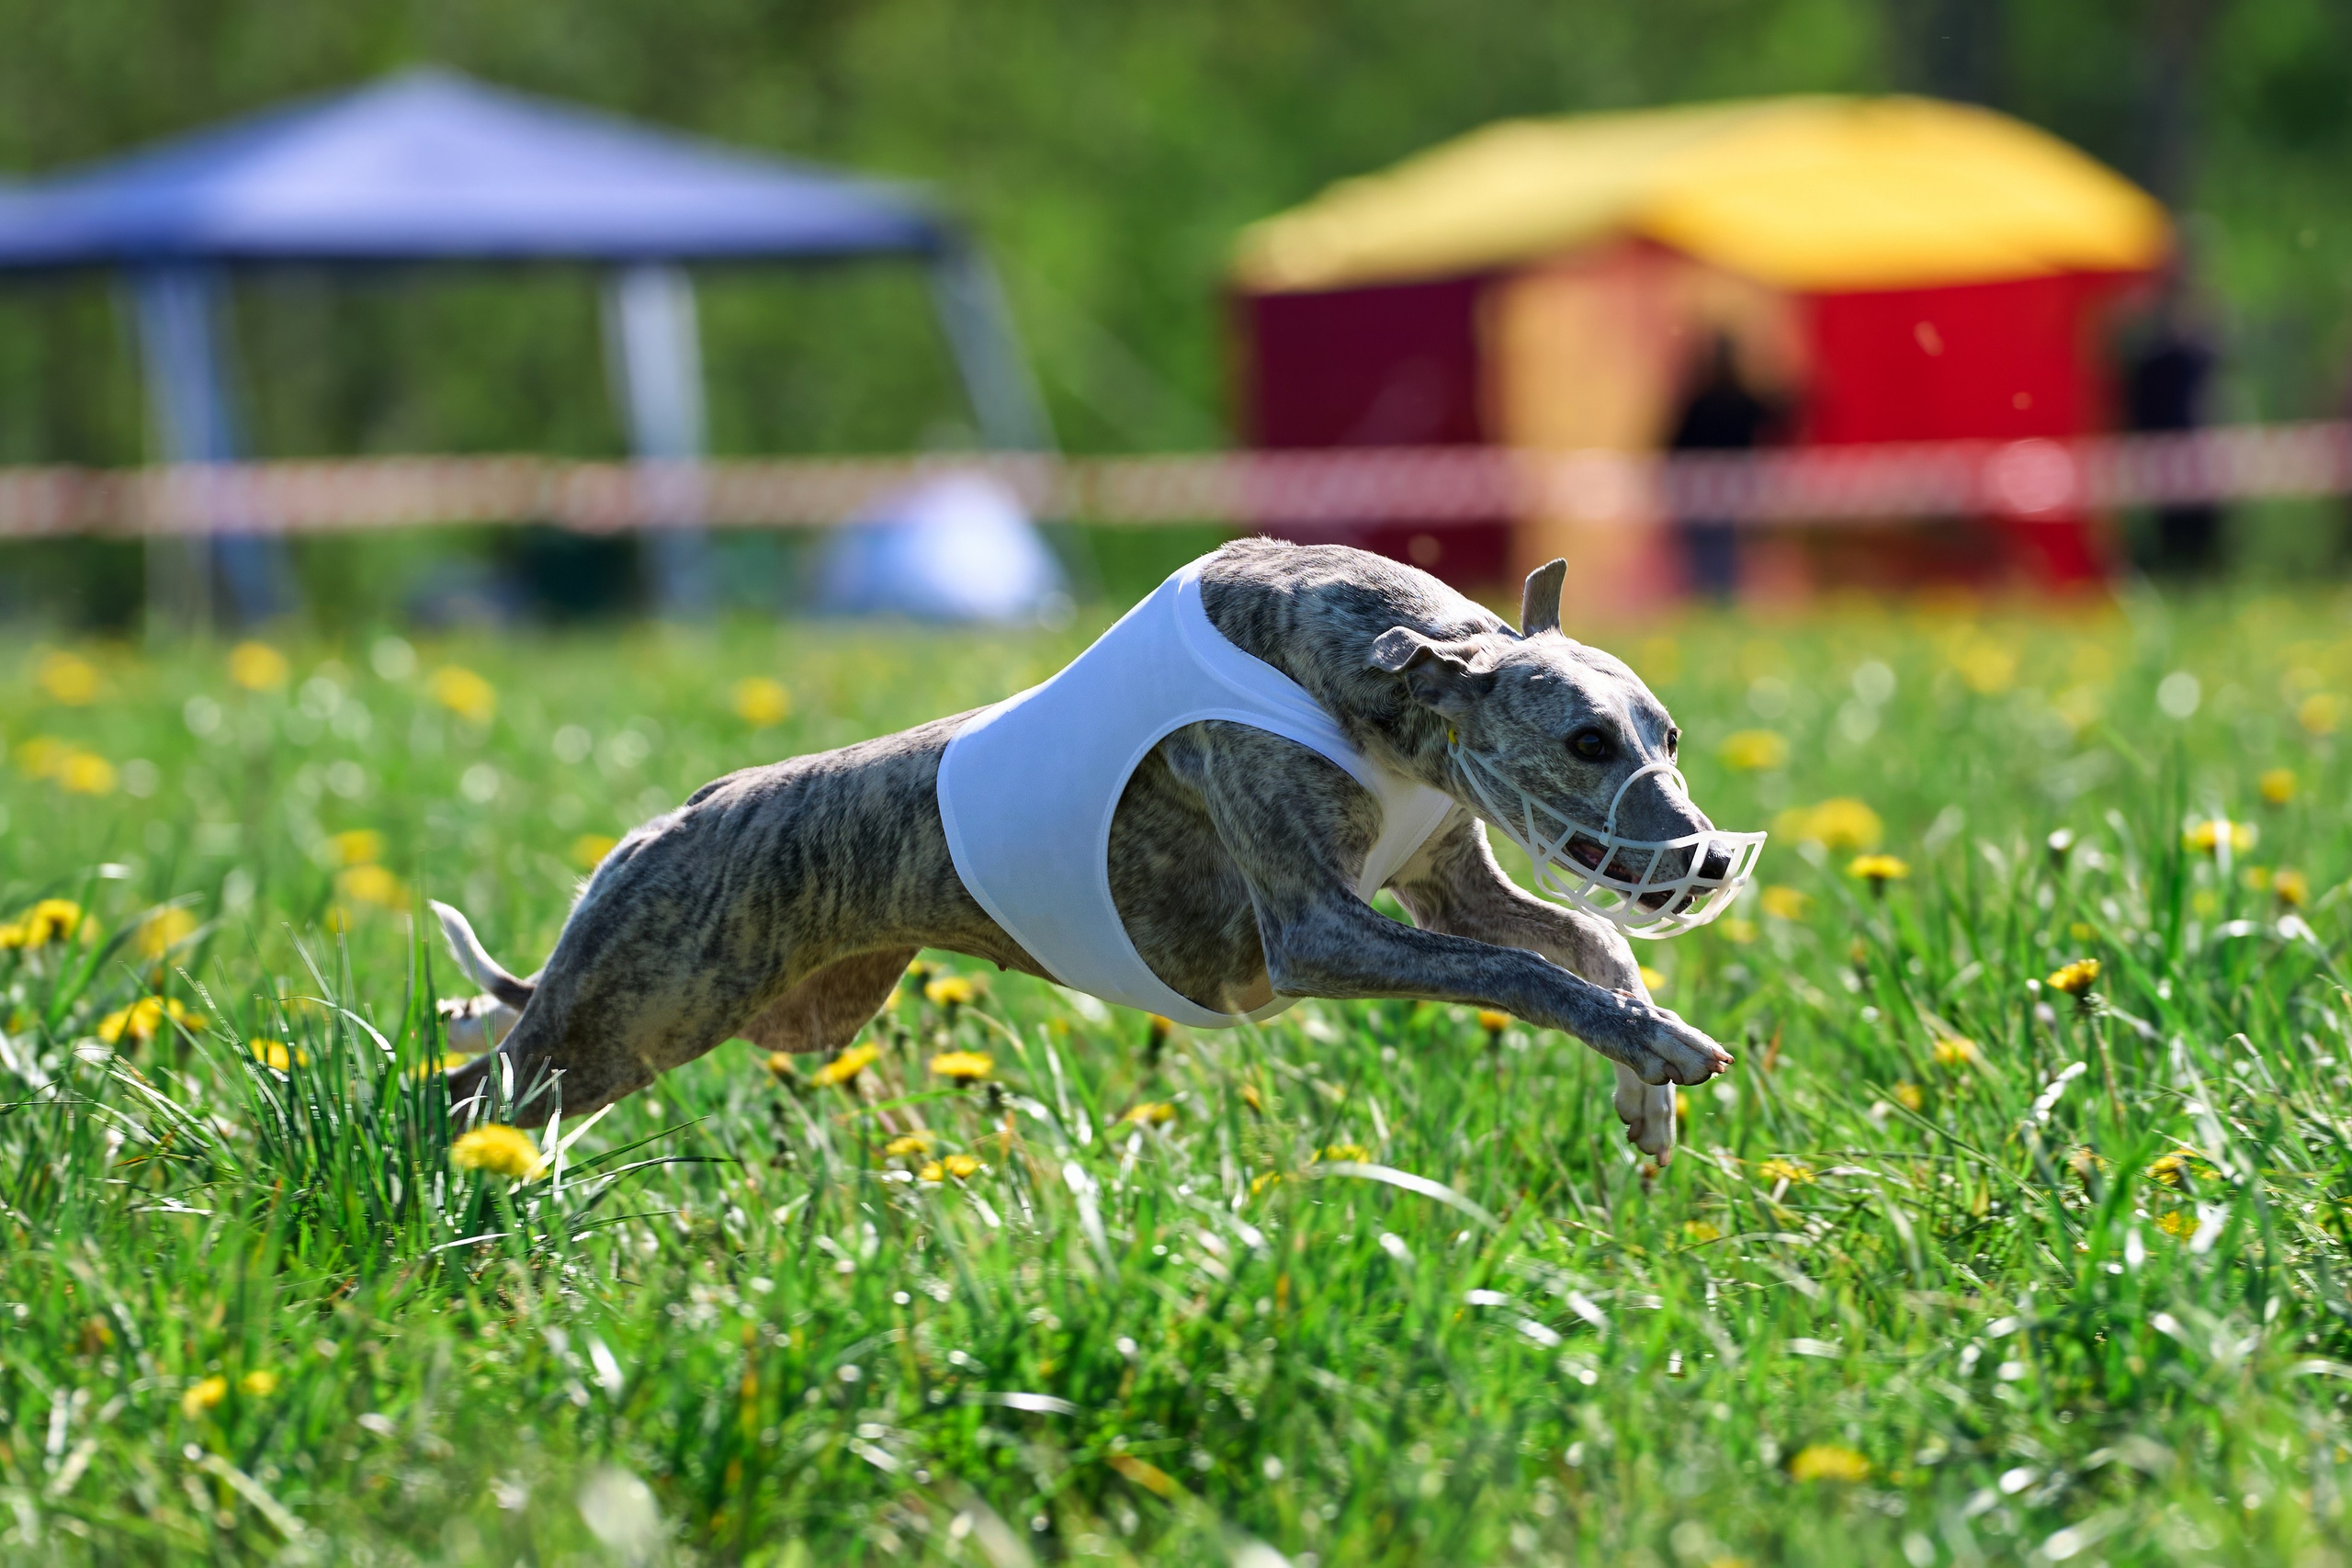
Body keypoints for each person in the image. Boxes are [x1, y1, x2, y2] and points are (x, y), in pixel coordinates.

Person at [2125, 286, 2222, 578]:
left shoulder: (2197, 352)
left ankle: (2195, 575)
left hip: (2194, 449)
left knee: (2198, 529)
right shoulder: (2151, 358)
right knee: (2167, 526)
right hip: (2160, 450)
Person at [1667, 334, 1773, 598]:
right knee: (1718, 553)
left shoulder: (1701, 400)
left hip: (1712, 494)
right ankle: (1716, 599)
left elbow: (1674, 445)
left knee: (1715, 554)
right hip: (1718, 493)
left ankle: (1714, 599)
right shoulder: (1734, 399)